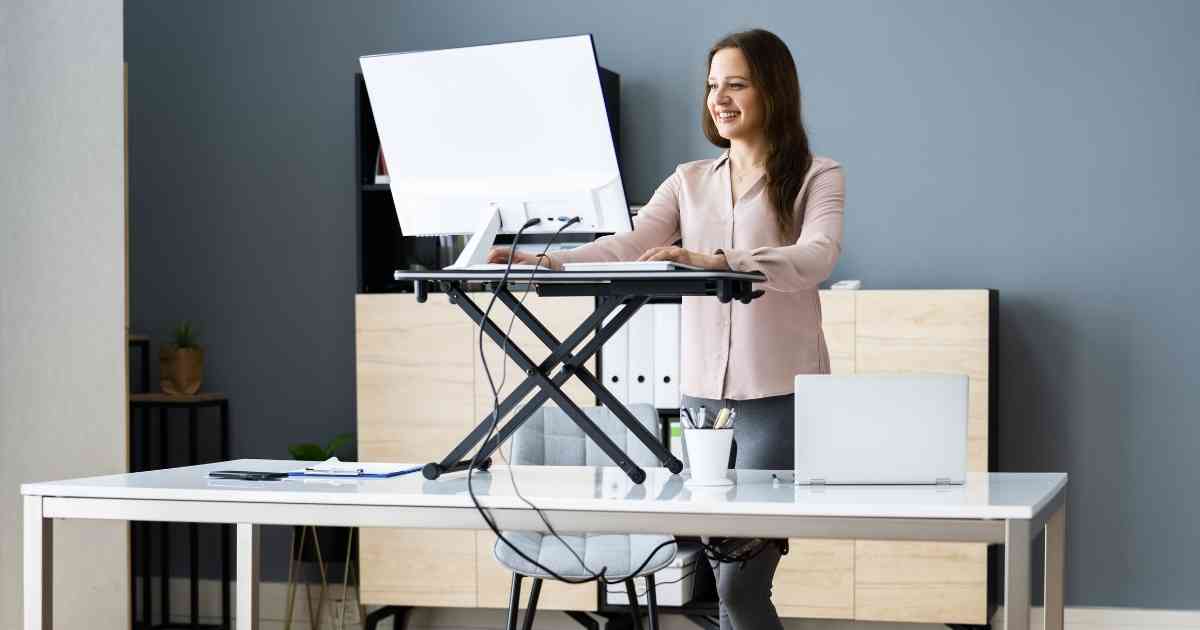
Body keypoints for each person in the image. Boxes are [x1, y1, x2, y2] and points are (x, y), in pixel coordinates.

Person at [489, 28, 844, 630]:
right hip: (701, 398)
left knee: (741, 581)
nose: (719, 97)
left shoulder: (816, 174)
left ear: (773, 91)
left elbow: (818, 255)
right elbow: (628, 245)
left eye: (736, 84)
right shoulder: (688, 180)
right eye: (712, 85)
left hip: (779, 395)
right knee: (714, 574)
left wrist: (721, 260)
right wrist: (545, 261)